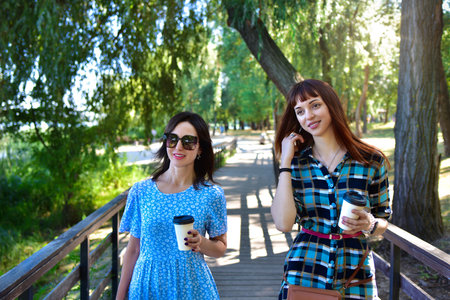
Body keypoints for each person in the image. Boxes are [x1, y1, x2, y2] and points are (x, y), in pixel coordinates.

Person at [271, 79, 392, 299]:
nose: (308, 116)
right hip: (306, 271)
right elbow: (283, 223)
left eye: (315, 105)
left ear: (331, 105)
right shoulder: (296, 164)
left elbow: (383, 219)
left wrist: (370, 223)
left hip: (356, 273)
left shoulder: (371, 161)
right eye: (300, 111)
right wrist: (285, 162)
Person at [116, 111, 227, 299]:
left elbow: (220, 248)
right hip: (147, 287)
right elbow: (133, 250)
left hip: (192, 288)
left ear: (200, 148)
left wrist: (202, 242)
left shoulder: (212, 195)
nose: (179, 147)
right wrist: (120, 296)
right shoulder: (141, 191)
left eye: (189, 141)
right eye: (173, 139)